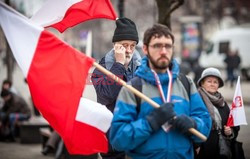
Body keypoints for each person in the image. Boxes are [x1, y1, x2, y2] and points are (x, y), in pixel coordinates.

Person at [109, 24, 211, 159]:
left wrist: (194, 124)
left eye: (168, 46)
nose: (163, 51)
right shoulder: (133, 88)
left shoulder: (186, 84)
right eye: (157, 46)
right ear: (145, 49)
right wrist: (150, 123)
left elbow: (204, 129)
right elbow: (118, 140)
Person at [91, 17, 141, 159]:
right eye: (125, 45)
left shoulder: (142, 67)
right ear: (115, 45)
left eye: (132, 45)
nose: (129, 50)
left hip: (138, 138)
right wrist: (119, 65)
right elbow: (105, 96)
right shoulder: (101, 67)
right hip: (113, 141)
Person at [195, 67, 240, 159]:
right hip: (202, 148)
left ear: (218, 85)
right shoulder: (196, 100)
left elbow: (232, 123)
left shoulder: (222, 102)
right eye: (209, 81)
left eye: (215, 82)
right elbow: (192, 124)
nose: (212, 84)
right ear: (202, 83)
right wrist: (195, 145)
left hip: (221, 148)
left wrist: (230, 132)